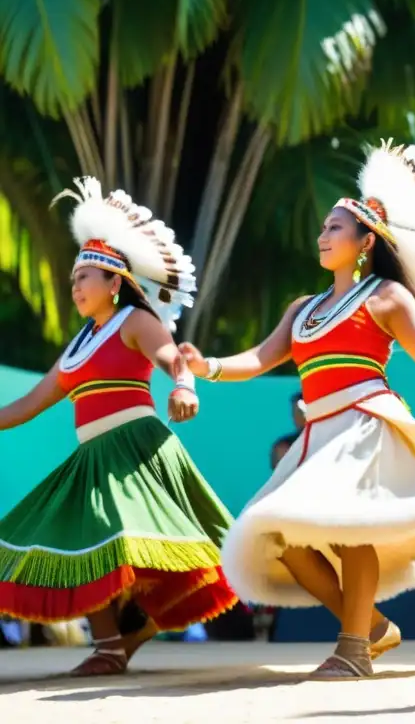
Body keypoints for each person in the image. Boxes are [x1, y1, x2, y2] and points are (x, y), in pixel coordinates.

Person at [178, 140, 415, 679]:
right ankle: (372, 627)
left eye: (335, 227)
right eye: (323, 228)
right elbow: (262, 358)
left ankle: (353, 648)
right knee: (279, 540)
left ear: (365, 242)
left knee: (352, 529)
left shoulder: (387, 297)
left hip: (365, 421)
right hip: (317, 433)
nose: (323, 235)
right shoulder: (302, 308)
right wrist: (209, 366)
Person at [0, 178, 237, 676]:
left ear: (114, 282)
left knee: (120, 536)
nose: (76, 287)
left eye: (86, 276)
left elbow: (173, 358)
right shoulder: (76, 347)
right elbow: (29, 403)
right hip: (92, 457)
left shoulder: (134, 320)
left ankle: (123, 638)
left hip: (137, 449)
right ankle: (112, 641)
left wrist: (185, 386)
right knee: (79, 538)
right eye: (72, 280)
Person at [271, 392, 306, 469]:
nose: (297, 416)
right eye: (294, 412)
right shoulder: (283, 446)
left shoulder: (324, 440)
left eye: (300, 412)